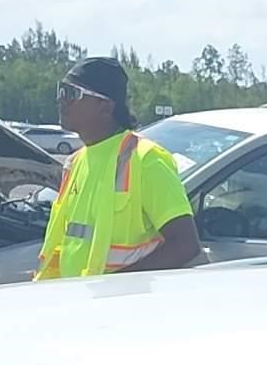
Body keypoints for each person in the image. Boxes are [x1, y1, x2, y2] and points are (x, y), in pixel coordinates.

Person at [34, 57, 202, 280]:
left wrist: (118, 286)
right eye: (61, 91)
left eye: (72, 93)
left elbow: (185, 245)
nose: (61, 100)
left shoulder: (146, 159)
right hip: (78, 301)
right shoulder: (75, 162)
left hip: (120, 307)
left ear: (105, 107)